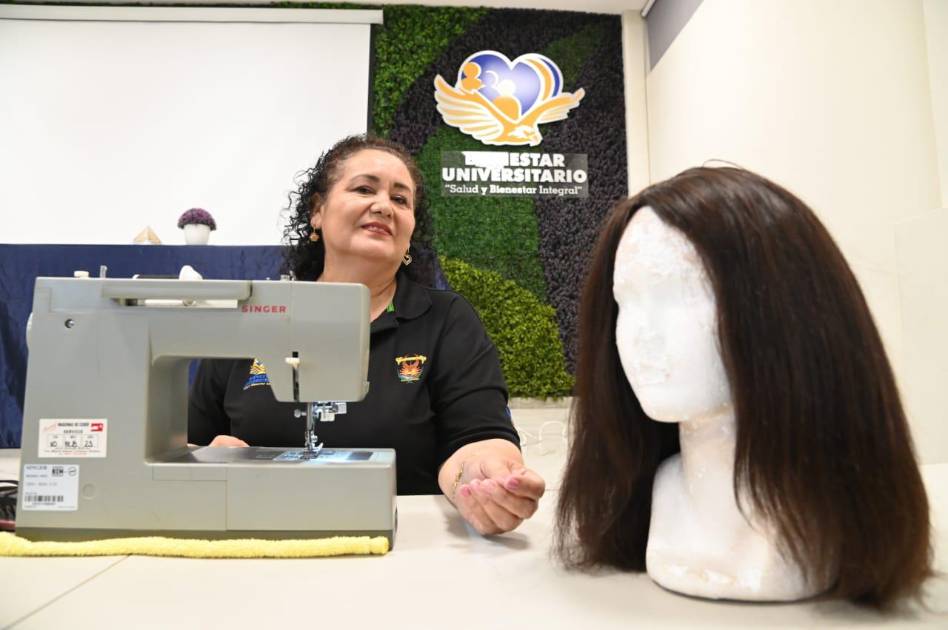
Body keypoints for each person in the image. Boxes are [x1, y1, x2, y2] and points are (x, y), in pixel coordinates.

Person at [554, 167, 931, 608]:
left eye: (684, 293)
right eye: (626, 301)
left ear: (784, 309)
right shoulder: (649, 494)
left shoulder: (821, 513)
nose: (643, 334)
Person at [189, 134, 544, 535]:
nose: (383, 206)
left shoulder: (445, 320)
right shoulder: (253, 319)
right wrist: (204, 459)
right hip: (255, 532)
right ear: (317, 211)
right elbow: (188, 441)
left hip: (403, 544)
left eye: (401, 199)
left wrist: (484, 478)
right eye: (363, 189)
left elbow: (477, 437)